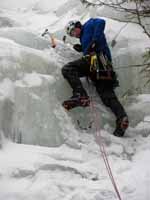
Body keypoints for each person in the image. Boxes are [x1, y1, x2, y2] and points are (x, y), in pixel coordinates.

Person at [61, 18, 129, 137]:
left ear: (77, 25)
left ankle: (80, 95)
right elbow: (89, 45)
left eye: (73, 31)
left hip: (97, 59)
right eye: (71, 34)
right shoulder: (83, 38)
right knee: (107, 96)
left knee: (68, 69)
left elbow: (101, 22)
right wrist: (82, 48)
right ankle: (121, 118)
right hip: (103, 68)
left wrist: (95, 39)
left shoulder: (89, 24)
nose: (74, 34)